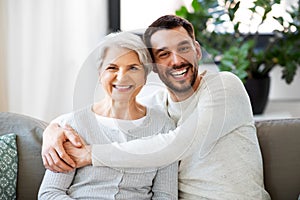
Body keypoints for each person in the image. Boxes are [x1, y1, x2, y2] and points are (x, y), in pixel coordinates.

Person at [41, 15, 271, 199]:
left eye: (184, 48)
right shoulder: (158, 106)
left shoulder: (225, 86)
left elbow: (177, 145)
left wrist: (90, 154)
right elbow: (104, 115)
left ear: (197, 51)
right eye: (164, 54)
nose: (176, 60)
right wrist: (52, 129)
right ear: (153, 66)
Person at [38, 31, 178, 199]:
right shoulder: (72, 126)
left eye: (133, 68)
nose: (122, 77)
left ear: (145, 75)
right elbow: (50, 193)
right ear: (100, 73)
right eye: (112, 67)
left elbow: (165, 195)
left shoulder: (164, 128)